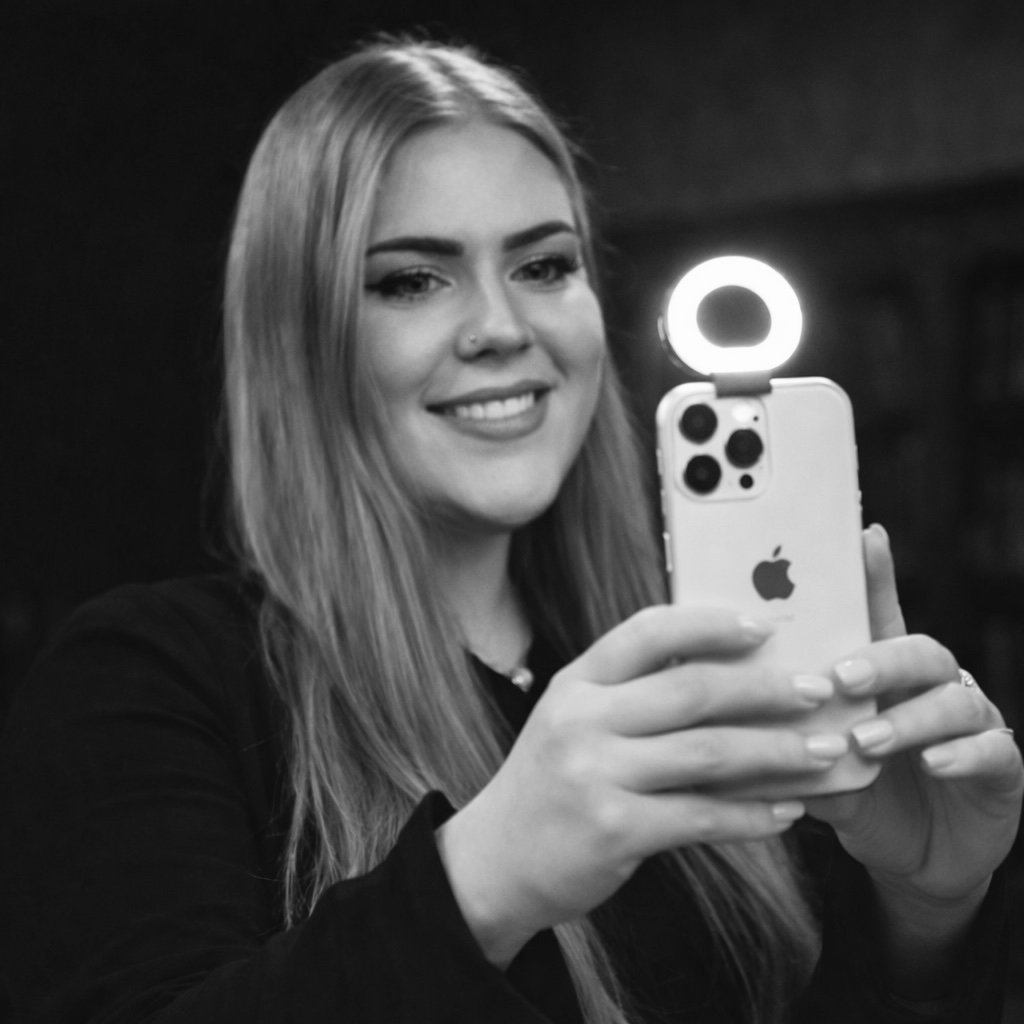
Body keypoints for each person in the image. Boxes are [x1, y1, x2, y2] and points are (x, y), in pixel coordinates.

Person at [0, 35, 1020, 1024]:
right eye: (411, 278)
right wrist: (483, 881)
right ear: (300, 337)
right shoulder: (150, 681)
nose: (502, 326)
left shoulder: (695, 675)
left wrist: (928, 909)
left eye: (543, 266)